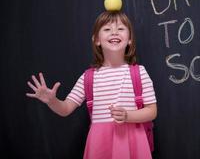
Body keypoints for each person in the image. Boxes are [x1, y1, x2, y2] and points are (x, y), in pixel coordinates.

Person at [26, 10, 157, 159]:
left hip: (132, 142)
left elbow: (152, 111)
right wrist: (52, 101)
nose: (114, 33)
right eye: (107, 29)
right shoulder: (88, 77)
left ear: (130, 40)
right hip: (100, 144)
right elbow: (65, 109)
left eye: (120, 29)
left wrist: (128, 115)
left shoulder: (139, 73)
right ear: (97, 40)